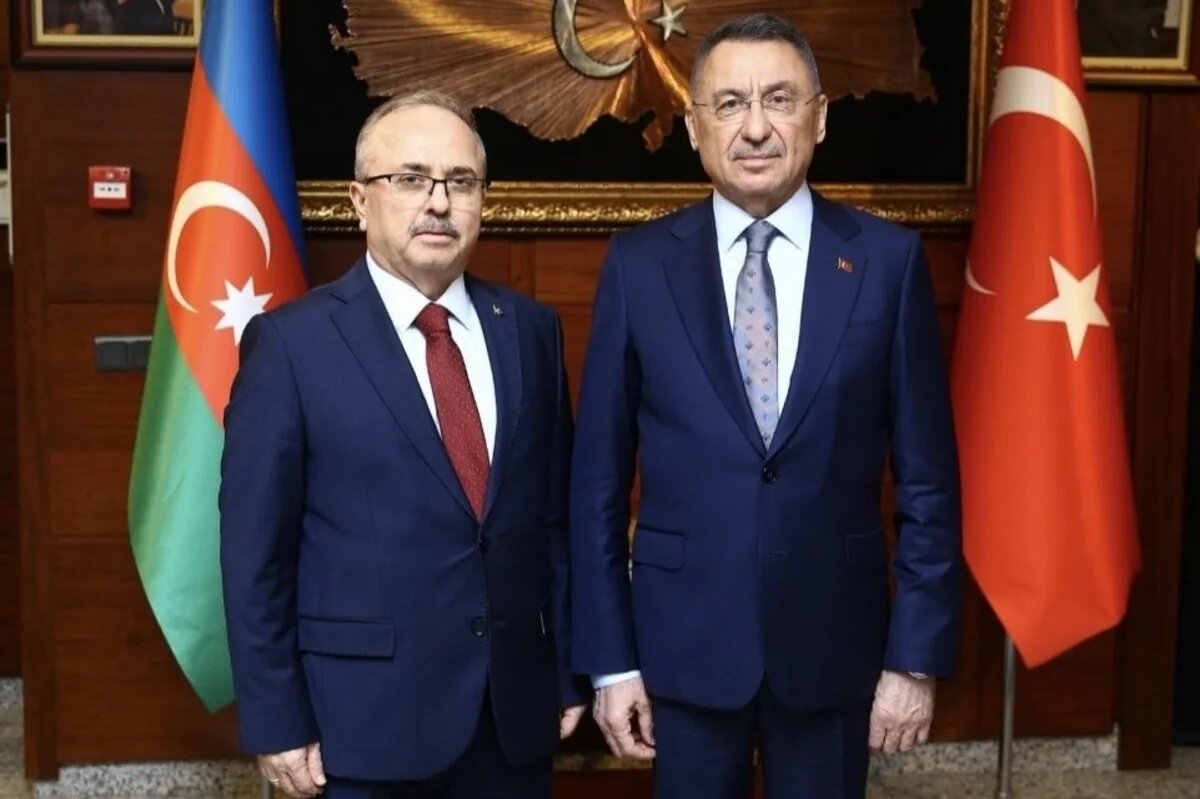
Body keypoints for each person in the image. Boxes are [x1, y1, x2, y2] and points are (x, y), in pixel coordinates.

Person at [569, 13, 962, 798]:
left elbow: (929, 484)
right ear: (694, 128)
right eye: (729, 104)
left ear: (819, 117)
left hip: (835, 649)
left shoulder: (886, 263)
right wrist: (611, 662)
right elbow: (597, 489)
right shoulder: (639, 267)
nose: (755, 128)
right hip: (681, 650)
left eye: (779, 100)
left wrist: (914, 658)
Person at [220, 90, 588, 799]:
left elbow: (552, 525)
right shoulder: (291, 345)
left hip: (512, 718)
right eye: (411, 179)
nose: (438, 203)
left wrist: (566, 667)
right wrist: (274, 718)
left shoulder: (530, 332)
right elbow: (254, 554)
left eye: (461, 182)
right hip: (362, 727)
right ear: (360, 201)